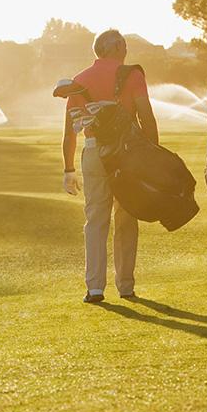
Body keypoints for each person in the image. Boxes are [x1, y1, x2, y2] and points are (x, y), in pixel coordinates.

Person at [61, 29, 159, 303]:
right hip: (127, 153)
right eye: (124, 45)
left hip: (93, 153)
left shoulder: (79, 80)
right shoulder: (132, 75)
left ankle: (95, 288)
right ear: (115, 47)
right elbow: (146, 117)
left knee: (96, 219)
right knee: (126, 217)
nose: (126, 50)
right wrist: (152, 154)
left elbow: (70, 130)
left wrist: (68, 169)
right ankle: (125, 285)